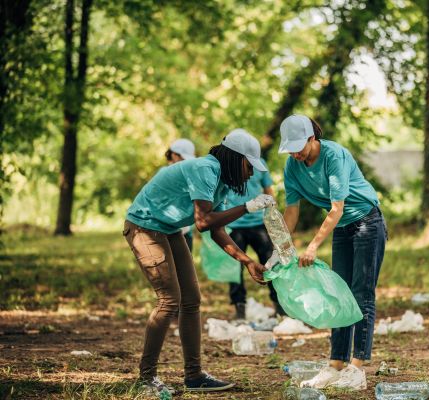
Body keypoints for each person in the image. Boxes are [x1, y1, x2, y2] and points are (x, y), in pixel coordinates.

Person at [123, 129, 275, 394]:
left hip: (168, 229)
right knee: (169, 300)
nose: (251, 173)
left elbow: (216, 230)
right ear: (235, 158)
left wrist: (247, 261)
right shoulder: (205, 169)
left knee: (191, 299)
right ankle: (145, 378)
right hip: (144, 226)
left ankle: (194, 376)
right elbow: (203, 222)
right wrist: (247, 207)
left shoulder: (223, 182)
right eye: (249, 166)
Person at [273, 114, 387, 391]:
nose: (296, 153)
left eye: (299, 146)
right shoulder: (292, 166)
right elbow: (291, 210)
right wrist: (281, 249)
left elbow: (336, 208)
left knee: (361, 293)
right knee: (339, 294)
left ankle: (357, 368)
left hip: (366, 222)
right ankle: (336, 363)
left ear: (313, 138)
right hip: (343, 228)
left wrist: (312, 246)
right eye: (290, 148)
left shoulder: (334, 155)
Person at [221, 144, 285, 319]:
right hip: (234, 225)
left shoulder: (260, 164)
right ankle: (239, 308)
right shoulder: (228, 167)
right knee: (235, 268)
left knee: (270, 263)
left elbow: (269, 191)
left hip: (258, 223)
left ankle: (280, 306)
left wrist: (272, 217)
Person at [165, 138, 196, 250]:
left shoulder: (187, 173)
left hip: (185, 232)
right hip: (167, 233)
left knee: (187, 266)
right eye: (182, 157)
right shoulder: (163, 175)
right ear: (174, 155)